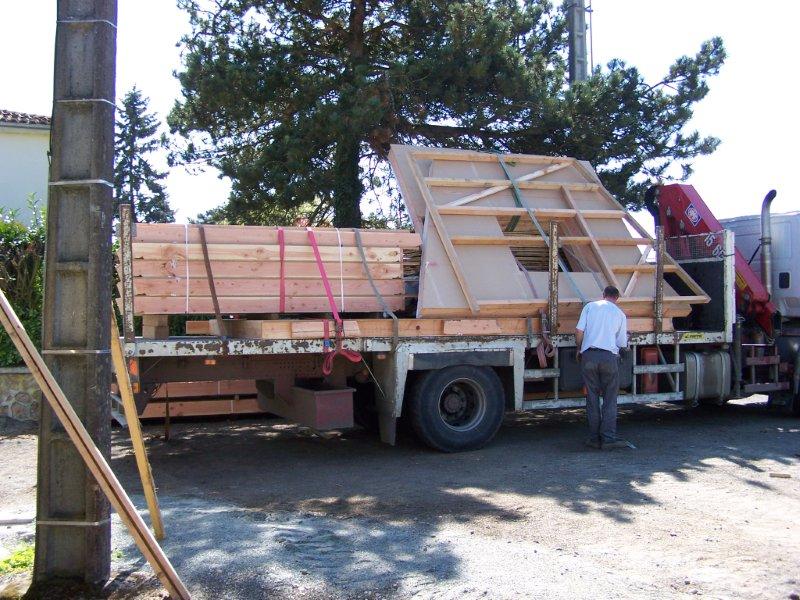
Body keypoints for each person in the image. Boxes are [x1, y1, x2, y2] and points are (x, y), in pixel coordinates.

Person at [575, 285, 631, 450]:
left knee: (592, 398)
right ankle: (608, 438)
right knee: (610, 399)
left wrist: (579, 348)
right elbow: (621, 343)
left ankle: (593, 438)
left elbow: (579, 331)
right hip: (608, 358)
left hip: (589, 357)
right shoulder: (620, 314)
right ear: (617, 298)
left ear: (603, 295)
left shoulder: (590, 307)